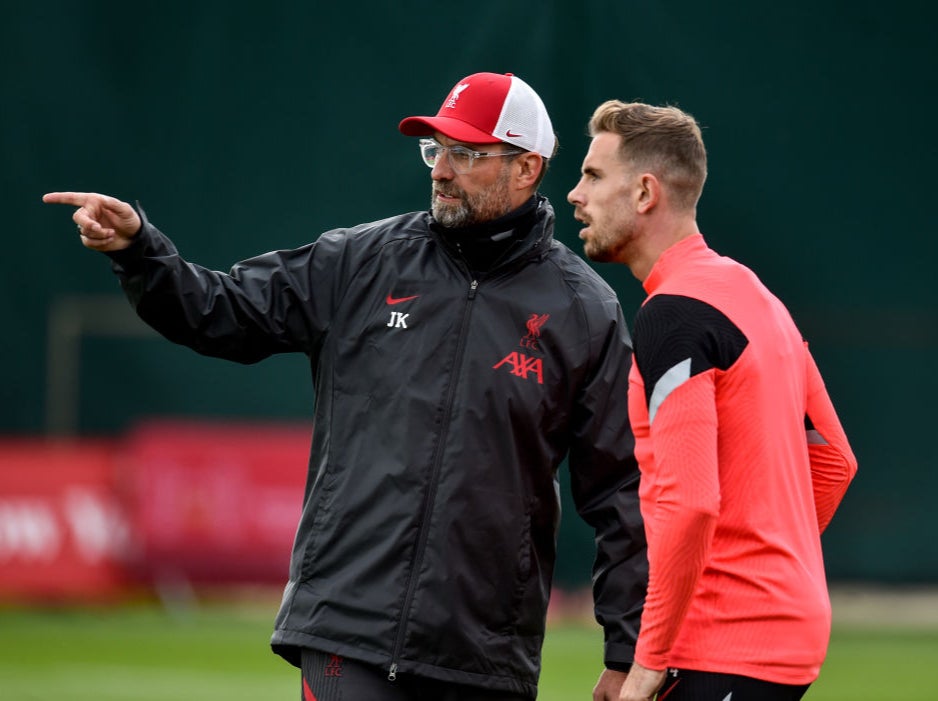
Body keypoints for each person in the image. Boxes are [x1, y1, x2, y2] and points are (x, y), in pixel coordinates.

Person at [44, 73, 647, 701]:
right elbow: (221, 311)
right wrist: (142, 252)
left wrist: (626, 647)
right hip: (346, 632)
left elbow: (622, 490)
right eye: (435, 149)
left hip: (483, 653)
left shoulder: (584, 309)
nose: (441, 169)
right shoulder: (362, 260)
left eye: (465, 153)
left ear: (526, 168)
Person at [567, 100, 857, 701]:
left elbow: (691, 503)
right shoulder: (758, 297)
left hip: (715, 649)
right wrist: (769, 574)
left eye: (593, 176)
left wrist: (647, 660)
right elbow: (833, 461)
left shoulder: (672, 315)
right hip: (785, 643)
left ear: (645, 193)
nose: (576, 194)